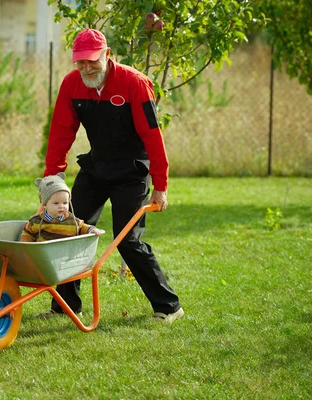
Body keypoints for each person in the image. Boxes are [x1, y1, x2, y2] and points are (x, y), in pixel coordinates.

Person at [38, 28, 184, 323]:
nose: (87, 68)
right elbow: (60, 134)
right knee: (69, 228)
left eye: (92, 61)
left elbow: (153, 137)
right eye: (80, 63)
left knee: (127, 239)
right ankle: (66, 307)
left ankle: (169, 306)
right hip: (97, 166)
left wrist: (161, 185)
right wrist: (52, 181)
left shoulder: (135, 83)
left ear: (107, 55)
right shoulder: (71, 85)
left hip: (132, 171)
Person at [20, 172, 105, 242]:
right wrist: (25, 248)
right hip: (42, 258)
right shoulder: (35, 222)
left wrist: (91, 230)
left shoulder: (72, 221)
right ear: (45, 204)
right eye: (56, 203)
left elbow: (82, 227)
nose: (61, 206)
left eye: (65, 203)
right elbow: (27, 235)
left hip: (66, 256)